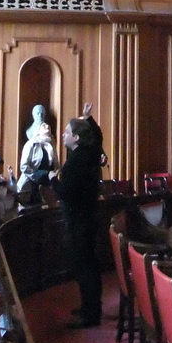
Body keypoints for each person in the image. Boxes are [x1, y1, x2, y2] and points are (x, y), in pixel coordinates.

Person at [48, 113, 103, 328]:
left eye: (68, 132)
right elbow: (98, 138)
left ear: (77, 138)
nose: (63, 135)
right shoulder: (90, 153)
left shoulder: (77, 161)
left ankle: (90, 314)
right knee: (88, 266)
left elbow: (66, 193)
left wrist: (53, 181)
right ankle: (90, 307)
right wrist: (89, 119)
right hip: (87, 217)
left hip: (78, 220)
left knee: (84, 267)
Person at [17, 121, 56, 205]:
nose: (47, 127)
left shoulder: (50, 146)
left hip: (46, 186)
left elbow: (55, 164)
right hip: (31, 183)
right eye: (44, 126)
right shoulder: (31, 144)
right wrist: (38, 175)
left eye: (48, 127)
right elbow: (24, 166)